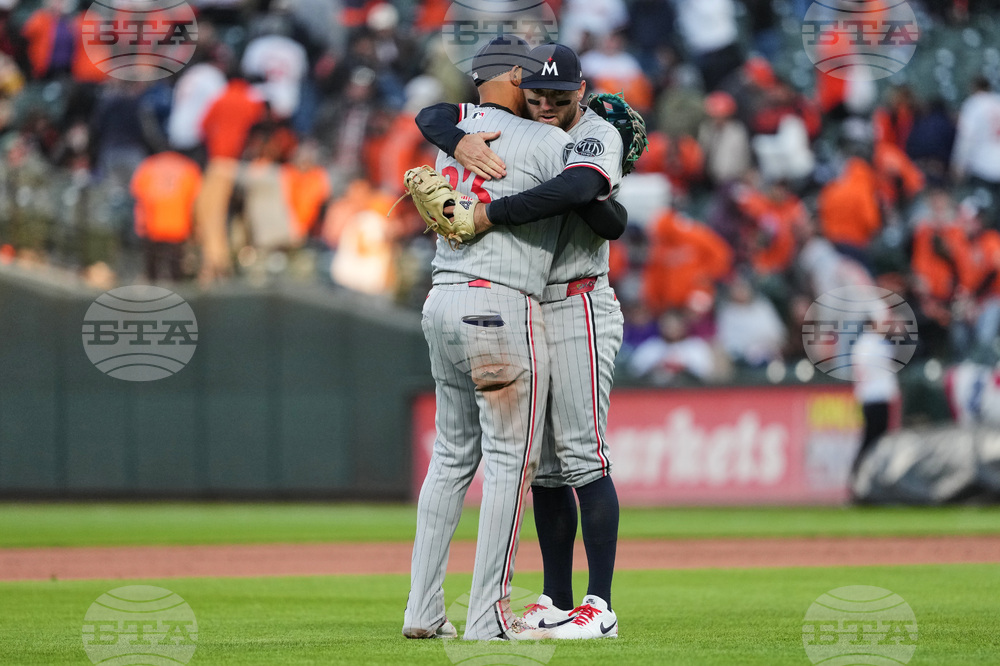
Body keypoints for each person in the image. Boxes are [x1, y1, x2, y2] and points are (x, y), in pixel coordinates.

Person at [414, 41, 631, 639]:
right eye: (537, 95)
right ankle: (556, 599)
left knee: (585, 453)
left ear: (580, 93)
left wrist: (489, 214)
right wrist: (454, 140)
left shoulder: (591, 132)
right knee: (547, 469)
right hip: (531, 304)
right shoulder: (522, 129)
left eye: (559, 98)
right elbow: (432, 115)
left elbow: (581, 192)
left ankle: (600, 604)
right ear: (522, 87)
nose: (546, 106)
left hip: (580, 299)